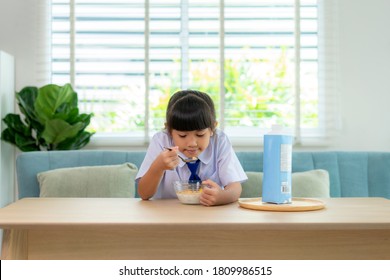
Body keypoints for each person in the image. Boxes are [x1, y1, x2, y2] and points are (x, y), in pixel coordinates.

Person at [136, 89, 247, 206]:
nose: (192, 143)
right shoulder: (161, 141)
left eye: (200, 135)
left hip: (209, 215)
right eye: (182, 135)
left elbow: (235, 188)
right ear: (169, 131)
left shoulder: (219, 141)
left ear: (212, 128)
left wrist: (222, 196)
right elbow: (144, 194)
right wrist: (158, 167)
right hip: (167, 216)